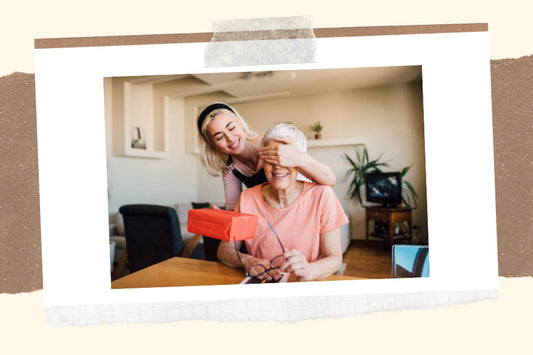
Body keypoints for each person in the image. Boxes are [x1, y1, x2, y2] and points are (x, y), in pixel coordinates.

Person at [217, 123, 348, 281]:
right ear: (262, 161)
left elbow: (334, 259)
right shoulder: (247, 198)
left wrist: (309, 270)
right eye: (271, 158)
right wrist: (247, 260)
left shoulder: (322, 195)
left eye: (286, 160)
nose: (278, 167)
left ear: (299, 164)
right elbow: (224, 249)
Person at [197, 102, 336, 210]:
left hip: (304, 206)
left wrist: (300, 157)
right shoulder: (230, 168)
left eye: (231, 128)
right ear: (212, 143)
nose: (230, 138)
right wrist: (223, 216)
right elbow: (233, 208)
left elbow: (329, 180)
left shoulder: (273, 143)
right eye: (219, 137)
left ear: (239, 122)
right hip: (273, 214)